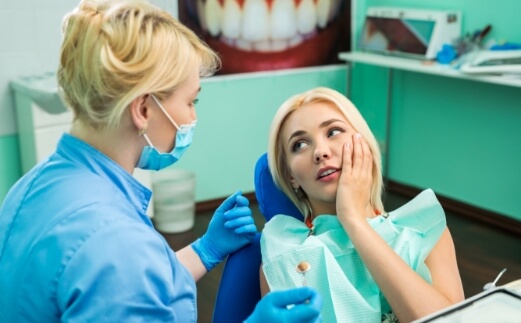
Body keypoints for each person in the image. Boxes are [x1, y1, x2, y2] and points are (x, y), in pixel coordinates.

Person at [0, 1, 322, 322]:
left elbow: (131, 287)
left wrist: (206, 249)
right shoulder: (115, 243)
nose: (193, 116)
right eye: (190, 101)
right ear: (142, 110)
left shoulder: (31, 187)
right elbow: (123, 272)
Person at [259, 87, 465, 322]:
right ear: (291, 177)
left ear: (364, 144)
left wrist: (353, 221)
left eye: (334, 131)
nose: (321, 152)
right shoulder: (282, 256)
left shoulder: (424, 230)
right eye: (300, 145)